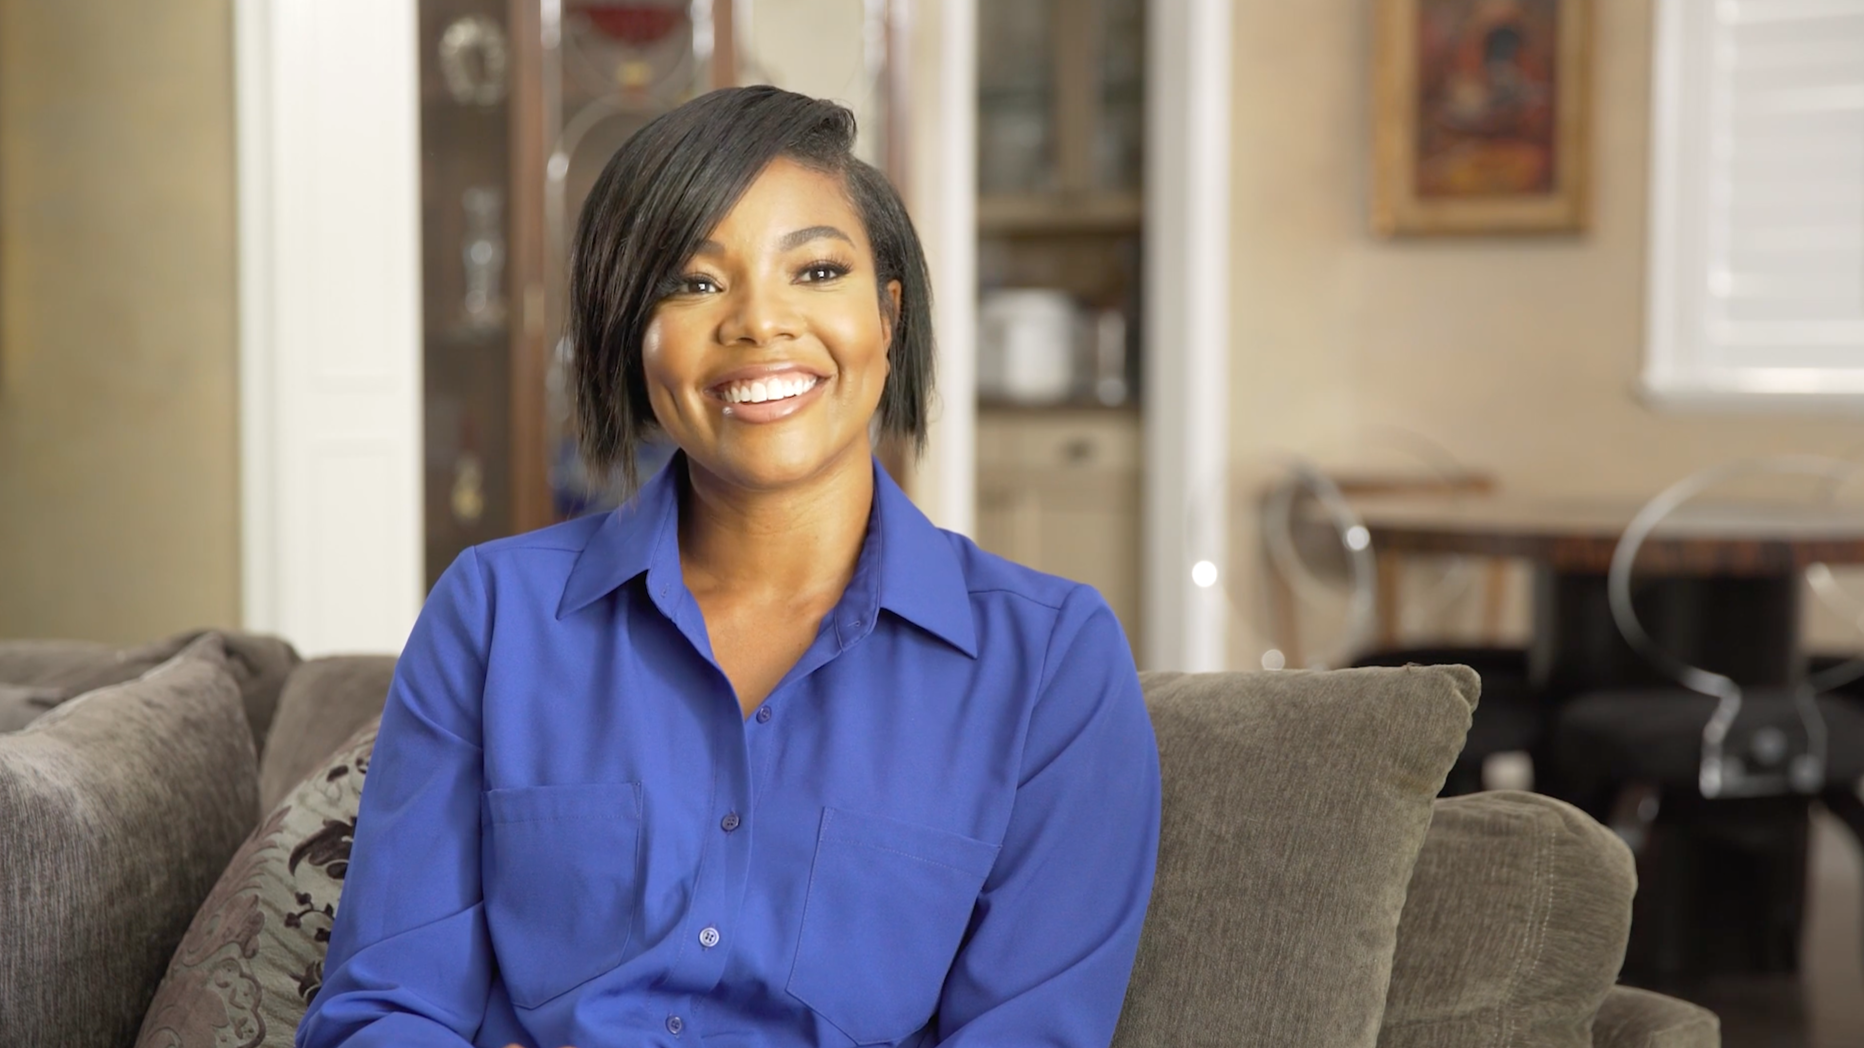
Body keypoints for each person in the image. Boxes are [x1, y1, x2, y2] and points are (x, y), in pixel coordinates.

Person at [297, 85, 1160, 1048]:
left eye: (817, 270)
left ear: (888, 316)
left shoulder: (1050, 660)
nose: (759, 324)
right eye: (695, 283)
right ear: (632, 337)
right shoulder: (493, 614)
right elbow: (387, 1008)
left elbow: (1029, 1032)